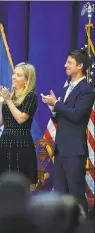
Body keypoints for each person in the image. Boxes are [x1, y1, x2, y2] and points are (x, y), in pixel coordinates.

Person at [41, 49, 95, 214]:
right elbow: (62, 119)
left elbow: (78, 116)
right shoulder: (66, 89)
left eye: (69, 63)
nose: (65, 65)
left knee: (76, 194)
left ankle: (84, 231)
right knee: (61, 195)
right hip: (61, 149)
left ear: (80, 66)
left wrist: (57, 105)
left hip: (74, 150)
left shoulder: (86, 89)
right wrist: (54, 109)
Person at [0, 62, 38, 191]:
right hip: (6, 143)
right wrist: (0, 102)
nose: (13, 77)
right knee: (4, 186)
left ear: (26, 81)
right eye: (13, 73)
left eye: (18, 75)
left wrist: (8, 101)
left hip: (22, 144)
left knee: (22, 185)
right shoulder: (8, 97)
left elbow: (21, 119)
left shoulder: (31, 97)